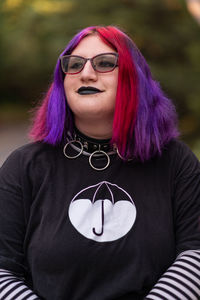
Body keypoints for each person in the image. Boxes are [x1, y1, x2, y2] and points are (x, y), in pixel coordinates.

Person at [0, 25, 199, 300]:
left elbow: (195, 252)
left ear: (133, 78)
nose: (86, 73)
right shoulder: (24, 167)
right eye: (74, 64)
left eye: (105, 63)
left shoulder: (175, 162)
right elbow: (3, 269)